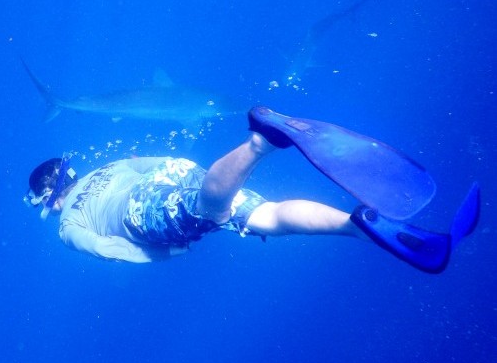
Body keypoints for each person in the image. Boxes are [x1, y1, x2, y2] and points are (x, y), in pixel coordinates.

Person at [25, 106, 480, 273]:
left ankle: (259, 142)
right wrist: (186, 176)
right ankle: (357, 224)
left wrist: (164, 255)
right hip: (169, 178)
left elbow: (107, 250)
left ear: (50, 197)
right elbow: (157, 162)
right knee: (267, 217)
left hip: (143, 212)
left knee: (208, 210)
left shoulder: (67, 223)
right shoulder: (104, 166)